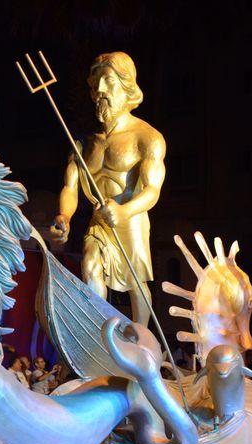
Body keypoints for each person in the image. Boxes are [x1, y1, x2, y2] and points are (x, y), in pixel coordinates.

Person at [51, 51, 166, 326]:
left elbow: (152, 190)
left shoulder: (147, 138)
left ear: (127, 85)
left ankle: (141, 336)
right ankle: (98, 330)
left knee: (136, 284)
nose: (100, 90)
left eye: (108, 81)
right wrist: (64, 216)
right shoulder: (83, 144)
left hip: (131, 218)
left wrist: (125, 212)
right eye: (95, 84)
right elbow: (70, 187)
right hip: (99, 221)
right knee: (90, 266)